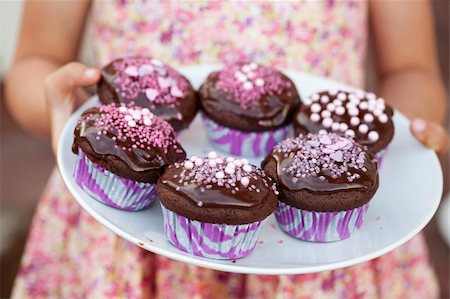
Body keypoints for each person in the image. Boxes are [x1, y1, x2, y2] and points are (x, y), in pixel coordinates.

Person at [5, 1, 449, 298]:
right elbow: (34, 61)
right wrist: (57, 105)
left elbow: (411, 69)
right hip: (120, 232)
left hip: (334, 260)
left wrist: (408, 127)